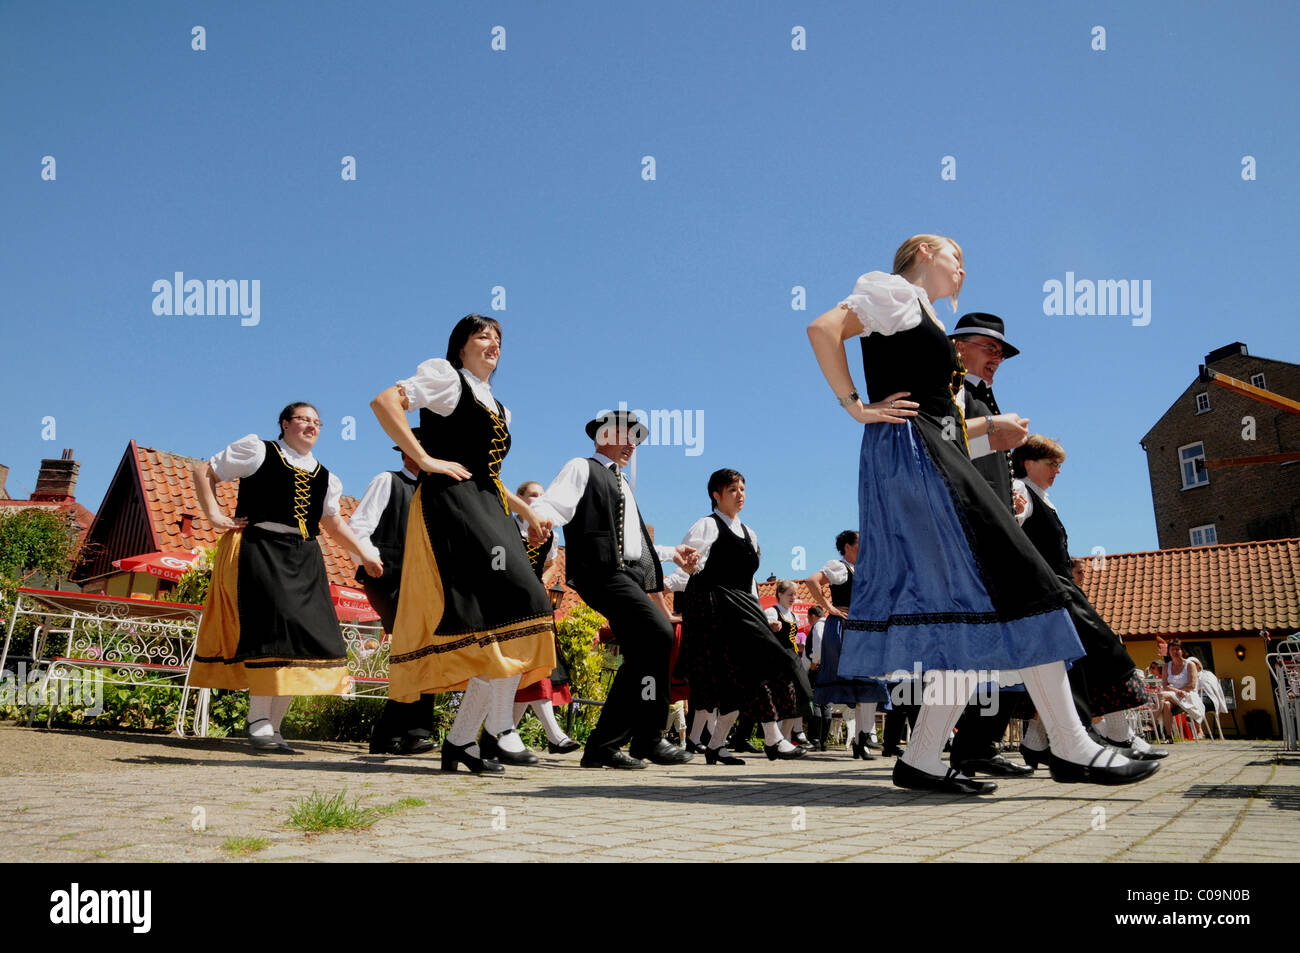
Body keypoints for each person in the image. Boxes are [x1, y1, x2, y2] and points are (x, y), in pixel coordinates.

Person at [806, 233, 1159, 793]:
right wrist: (857, 407)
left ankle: (922, 758)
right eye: (957, 258)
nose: (964, 270)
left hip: (927, 455)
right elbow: (822, 329)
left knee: (972, 611)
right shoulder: (893, 293)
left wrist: (990, 430)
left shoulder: (917, 312)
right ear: (924, 252)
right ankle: (1071, 745)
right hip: (919, 460)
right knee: (1024, 585)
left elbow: (940, 417)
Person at [370, 315, 557, 774]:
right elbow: (383, 401)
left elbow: (489, 474)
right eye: (482, 336)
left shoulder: (500, 407)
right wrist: (424, 458)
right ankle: (493, 729)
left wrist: (527, 510)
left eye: (498, 338)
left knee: (502, 618)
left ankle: (460, 741)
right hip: (451, 503)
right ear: (460, 347)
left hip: (489, 505)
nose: (493, 343)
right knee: (522, 601)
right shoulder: (445, 378)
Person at [192, 402, 383, 753]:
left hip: (305, 555)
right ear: (284, 424)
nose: (311, 426)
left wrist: (365, 554)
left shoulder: (326, 476)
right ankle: (258, 720)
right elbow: (205, 471)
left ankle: (274, 726)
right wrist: (215, 515)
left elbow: (333, 525)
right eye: (303, 419)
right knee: (274, 629)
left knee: (304, 636)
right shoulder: (258, 451)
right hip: (261, 547)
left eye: (317, 422)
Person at [530, 409, 698, 769]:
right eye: (625, 435)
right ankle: (647, 738)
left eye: (635, 438)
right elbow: (554, 503)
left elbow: (633, 544)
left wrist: (671, 552)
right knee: (659, 633)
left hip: (624, 573)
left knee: (644, 653)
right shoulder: (582, 467)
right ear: (603, 435)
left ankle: (604, 746)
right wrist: (536, 518)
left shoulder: (622, 484)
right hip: (600, 571)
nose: (632, 444)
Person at [1010, 435, 1167, 762]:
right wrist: (1014, 513)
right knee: (1106, 653)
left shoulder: (1044, 497)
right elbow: (1010, 530)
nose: (1057, 470)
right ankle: (1119, 736)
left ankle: (1036, 744)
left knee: (1073, 667)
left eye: (1059, 465)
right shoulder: (1021, 489)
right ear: (1029, 463)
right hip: (1050, 592)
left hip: (1061, 591)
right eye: (1052, 463)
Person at [944, 313, 1035, 778]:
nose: (997, 357)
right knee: (999, 637)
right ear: (959, 346)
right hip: (970, 529)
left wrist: (1010, 492)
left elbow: (975, 452)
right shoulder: (954, 387)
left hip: (992, 523)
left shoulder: (983, 395)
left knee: (997, 644)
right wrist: (994, 429)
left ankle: (975, 745)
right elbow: (943, 439)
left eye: (1001, 352)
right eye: (989, 347)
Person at [671, 470, 813, 764]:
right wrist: (660, 590)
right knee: (752, 669)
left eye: (743, 489)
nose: (740, 495)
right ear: (716, 495)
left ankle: (716, 744)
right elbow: (686, 569)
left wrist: (760, 615)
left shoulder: (750, 533)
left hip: (743, 609)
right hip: (715, 610)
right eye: (733, 489)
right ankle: (773, 739)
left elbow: (749, 583)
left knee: (743, 678)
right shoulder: (706, 526)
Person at [349, 433, 436, 755]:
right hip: (389, 577)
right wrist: (370, 559)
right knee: (415, 649)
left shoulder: (434, 493)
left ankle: (400, 734)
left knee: (423, 651)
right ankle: (405, 733)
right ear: (408, 454)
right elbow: (359, 527)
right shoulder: (388, 481)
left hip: (424, 583)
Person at [507, 480, 581, 754]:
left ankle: (502, 736)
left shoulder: (550, 534)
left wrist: (541, 582)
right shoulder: (507, 525)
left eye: (541, 495)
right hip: (508, 604)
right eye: (532, 495)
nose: (537, 500)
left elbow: (550, 565)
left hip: (535, 605)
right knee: (522, 670)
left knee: (535, 668)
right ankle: (548, 735)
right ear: (519, 498)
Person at [803, 530, 891, 759]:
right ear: (848, 546)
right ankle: (862, 739)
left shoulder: (864, 570)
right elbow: (812, 581)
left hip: (864, 629)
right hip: (846, 628)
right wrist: (829, 607)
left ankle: (862, 739)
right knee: (864, 682)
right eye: (861, 542)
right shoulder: (840, 567)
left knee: (869, 685)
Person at [764, 581, 815, 751]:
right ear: (780, 594)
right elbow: (763, 628)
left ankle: (785, 738)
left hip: (793, 660)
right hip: (779, 660)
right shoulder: (772, 611)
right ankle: (777, 740)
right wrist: (771, 626)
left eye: (795, 594)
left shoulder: (793, 615)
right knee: (784, 699)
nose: (793, 597)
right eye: (790, 594)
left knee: (801, 698)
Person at [1158, 639, 1204, 739]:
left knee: (1161, 695)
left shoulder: (1190, 664)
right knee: (1166, 704)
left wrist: (1180, 691)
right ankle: (1169, 736)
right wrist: (1176, 691)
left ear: (1182, 651)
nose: (1175, 652)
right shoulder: (1166, 666)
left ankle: (1151, 722)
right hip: (1173, 695)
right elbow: (1165, 685)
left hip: (1187, 694)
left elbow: (1192, 685)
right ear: (1169, 651)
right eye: (1172, 649)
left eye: (1177, 649)